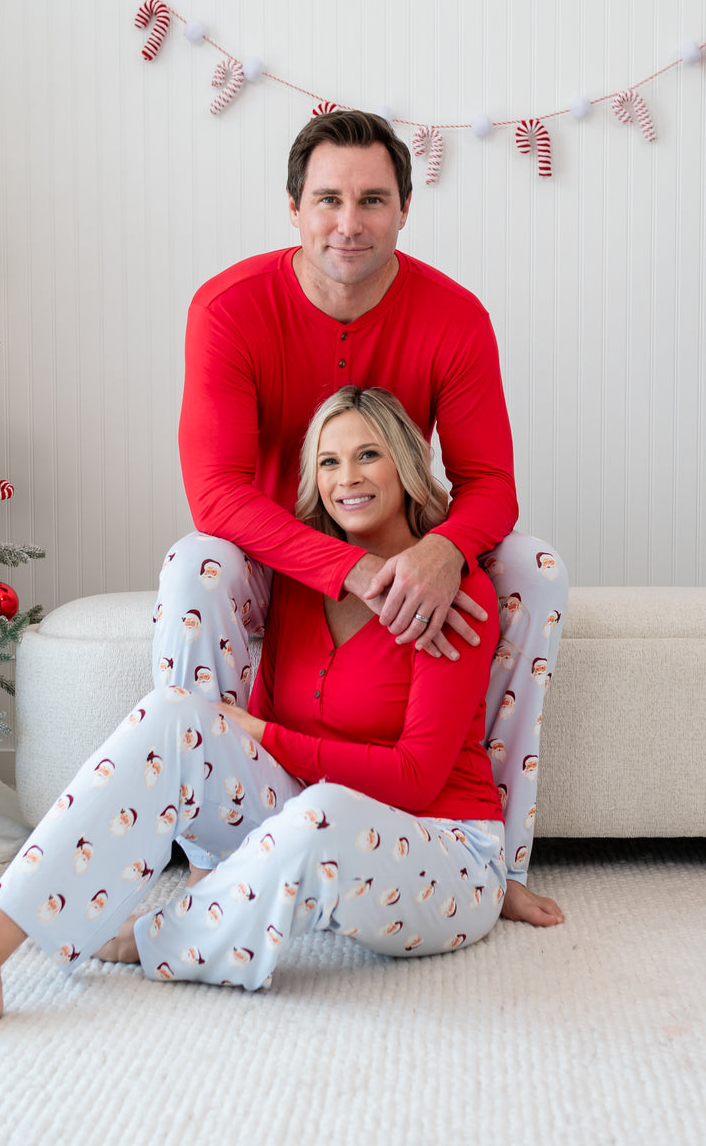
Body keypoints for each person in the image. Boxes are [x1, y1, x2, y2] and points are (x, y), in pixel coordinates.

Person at [0, 386, 560, 1055]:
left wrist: (267, 738)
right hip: (315, 819)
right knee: (177, 714)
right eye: (329, 461)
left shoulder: (454, 596)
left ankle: (153, 937)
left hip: (445, 852)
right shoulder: (302, 587)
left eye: (368, 454)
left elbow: (417, 776)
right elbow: (257, 722)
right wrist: (249, 742)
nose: (348, 477)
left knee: (325, 810)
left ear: (404, 466)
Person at [159, 108, 567, 924]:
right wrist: (347, 569)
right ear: (293, 207)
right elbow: (216, 491)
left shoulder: (454, 316)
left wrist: (444, 549)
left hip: (407, 559)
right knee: (194, 561)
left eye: (373, 200)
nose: (350, 223)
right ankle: (217, 853)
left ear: (405, 210)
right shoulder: (230, 307)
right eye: (329, 200)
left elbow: (491, 481)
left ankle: (497, 857)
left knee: (534, 568)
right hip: (277, 561)